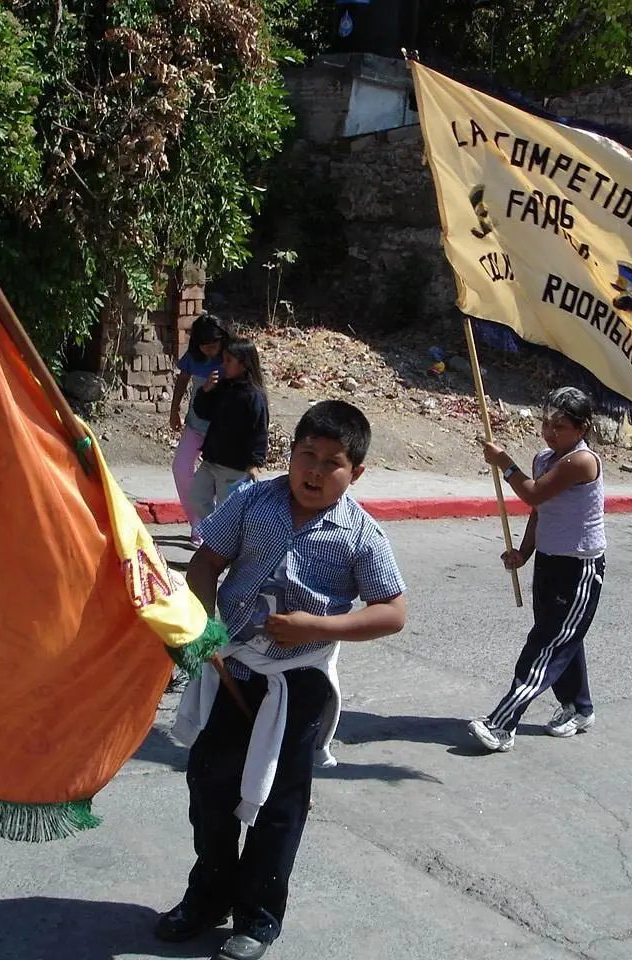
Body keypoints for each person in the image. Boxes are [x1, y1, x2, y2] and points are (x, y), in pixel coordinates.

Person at [159, 400, 407, 960]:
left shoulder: (359, 534)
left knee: (280, 804)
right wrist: (204, 628)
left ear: (356, 472)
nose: (314, 471)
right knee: (210, 784)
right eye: (306, 456)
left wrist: (316, 627)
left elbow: (392, 611)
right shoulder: (252, 501)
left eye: (332, 462)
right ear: (289, 455)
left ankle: (258, 917)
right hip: (234, 667)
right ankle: (208, 896)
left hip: (299, 684)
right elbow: (204, 564)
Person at [467, 386, 605, 753]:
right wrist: (524, 553)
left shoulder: (582, 461)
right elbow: (539, 509)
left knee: (545, 643)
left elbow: (531, 493)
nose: (549, 432)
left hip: (579, 567)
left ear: (582, 428)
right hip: (549, 560)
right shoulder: (545, 458)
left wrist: (504, 462)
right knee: (560, 637)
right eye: (547, 424)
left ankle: (501, 724)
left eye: (559, 426)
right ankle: (579, 707)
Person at [189, 337, 270, 525]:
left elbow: (259, 432)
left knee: (226, 513)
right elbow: (203, 412)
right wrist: (206, 391)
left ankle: (223, 547)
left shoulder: (254, 396)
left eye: (228, 361)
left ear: (243, 364)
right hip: (211, 460)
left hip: (234, 467)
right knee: (197, 499)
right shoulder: (223, 387)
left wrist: (255, 463)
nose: (223, 365)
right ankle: (216, 539)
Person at [170, 313, 231, 544]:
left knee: (217, 480)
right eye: (204, 346)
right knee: (181, 468)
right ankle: (198, 522)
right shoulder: (194, 357)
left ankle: (216, 529)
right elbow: (183, 379)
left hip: (222, 429)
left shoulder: (231, 356)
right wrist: (174, 409)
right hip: (195, 424)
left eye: (213, 345)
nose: (209, 351)